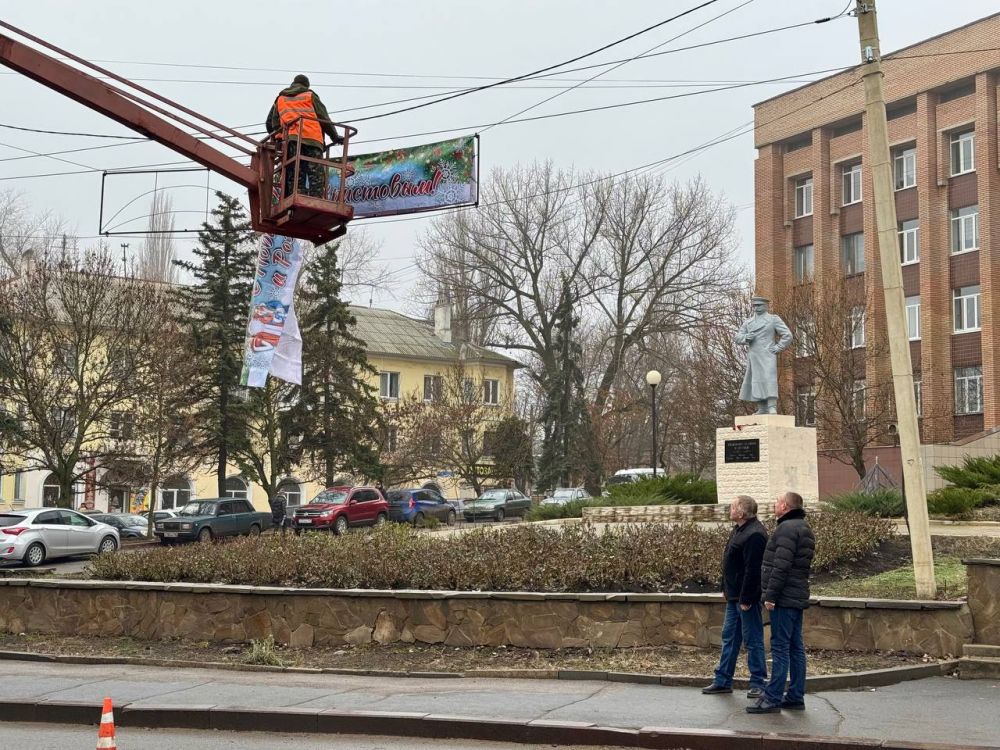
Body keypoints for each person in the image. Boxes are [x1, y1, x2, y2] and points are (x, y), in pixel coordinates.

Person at [747, 491, 816, 714]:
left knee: (780, 648)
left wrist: (771, 596)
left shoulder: (786, 529)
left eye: (777, 502)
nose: (775, 504)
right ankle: (795, 695)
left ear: (785, 506)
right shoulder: (803, 527)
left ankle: (773, 697)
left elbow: (781, 566)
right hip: (795, 596)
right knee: (796, 647)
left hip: (784, 598)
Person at [702, 495, 769, 698]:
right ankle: (723, 680)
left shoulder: (755, 534)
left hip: (745, 598)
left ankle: (758, 683)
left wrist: (747, 599)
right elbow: (729, 561)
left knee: (753, 639)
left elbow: (753, 570)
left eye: (732, 507)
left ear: (741, 512)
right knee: (729, 638)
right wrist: (725, 586)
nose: (729, 510)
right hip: (734, 596)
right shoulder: (739, 530)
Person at [266, 74, 343, 199]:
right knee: (315, 172)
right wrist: (335, 137)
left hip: (292, 139)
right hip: (312, 139)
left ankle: (296, 196)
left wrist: (279, 139)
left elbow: (274, 123)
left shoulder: (280, 98)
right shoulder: (310, 95)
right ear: (306, 85)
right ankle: (316, 198)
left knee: (295, 171)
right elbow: (324, 118)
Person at [734, 296, 792, 415]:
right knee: (757, 380)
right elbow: (737, 337)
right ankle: (762, 407)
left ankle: (771, 406)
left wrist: (778, 347)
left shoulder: (773, 319)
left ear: (766, 306)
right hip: (754, 356)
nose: (756, 308)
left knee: (769, 379)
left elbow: (787, 335)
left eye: (759, 305)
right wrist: (745, 338)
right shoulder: (748, 322)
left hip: (767, 355)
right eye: (755, 306)